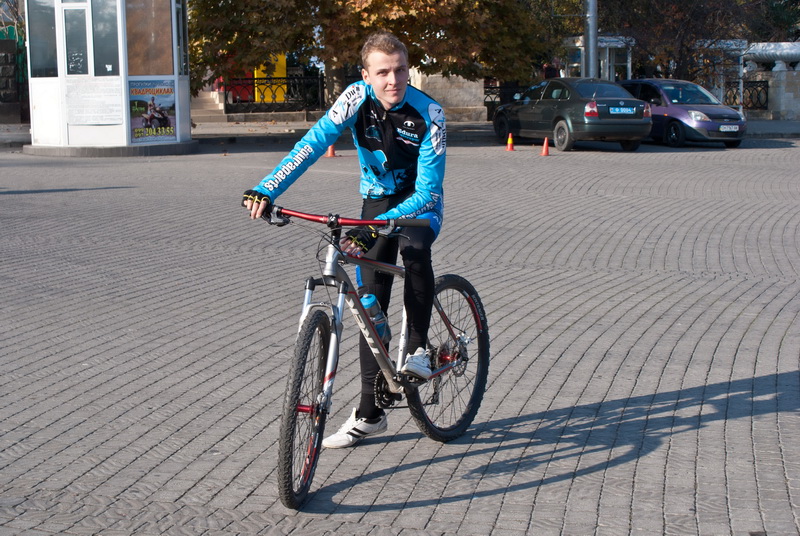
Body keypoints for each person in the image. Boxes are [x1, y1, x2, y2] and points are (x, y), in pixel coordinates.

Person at [242, 31, 446, 448]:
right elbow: (312, 144)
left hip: (419, 202)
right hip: (375, 200)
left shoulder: (430, 115)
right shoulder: (353, 99)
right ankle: (370, 416)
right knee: (369, 305)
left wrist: (379, 224)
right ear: (366, 75)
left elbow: (428, 191)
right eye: (383, 72)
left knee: (414, 252)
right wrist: (268, 188)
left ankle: (420, 349)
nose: (394, 80)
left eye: (401, 70)